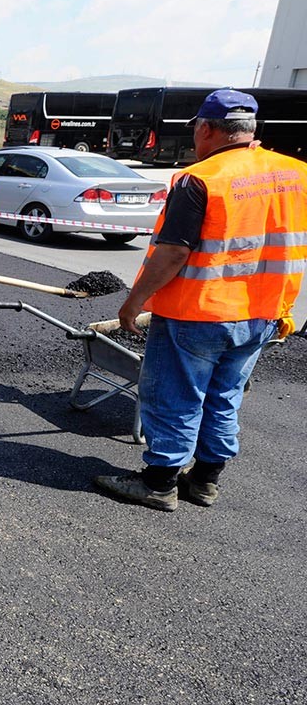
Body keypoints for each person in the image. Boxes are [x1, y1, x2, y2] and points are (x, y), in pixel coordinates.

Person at [96, 90, 307, 511]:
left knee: (175, 397)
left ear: (207, 128)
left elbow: (173, 253)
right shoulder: (295, 173)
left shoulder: (201, 178)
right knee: (225, 395)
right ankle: (206, 480)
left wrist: (134, 302)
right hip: (263, 313)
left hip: (199, 312)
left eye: (196, 128)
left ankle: (158, 484)